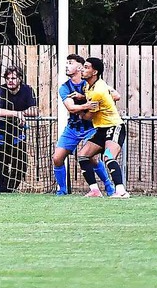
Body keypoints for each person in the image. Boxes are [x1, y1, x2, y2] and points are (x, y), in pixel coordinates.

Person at [52, 54, 118, 196]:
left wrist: (85, 97)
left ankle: (108, 186)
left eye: (70, 63)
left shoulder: (91, 84)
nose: (66, 66)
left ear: (80, 67)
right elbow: (71, 108)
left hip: (91, 127)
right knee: (57, 158)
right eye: (66, 63)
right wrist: (87, 105)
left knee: (92, 157)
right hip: (73, 128)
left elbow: (115, 95)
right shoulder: (65, 88)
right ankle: (62, 190)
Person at [77, 57, 130, 198]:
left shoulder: (98, 91)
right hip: (101, 129)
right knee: (83, 155)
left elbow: (89, 116)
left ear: (94, 72)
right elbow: (115, 95)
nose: (82, 69)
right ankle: (95, 191)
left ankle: (121, 191)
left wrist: (78, 111)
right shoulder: (89, 86)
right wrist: (82, 97)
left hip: (114, 126)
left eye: (86, 67)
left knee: (108, 156)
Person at [0, 66, 38, 193]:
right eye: (7, 78)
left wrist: (21, 114)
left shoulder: (27, 90)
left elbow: (34, 110)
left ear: (20, 79)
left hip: (16, 133)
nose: (10, 81)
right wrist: (16, 114)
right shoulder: (0, 90)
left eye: (13, 78)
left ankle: (10, 190)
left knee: (20, 165)